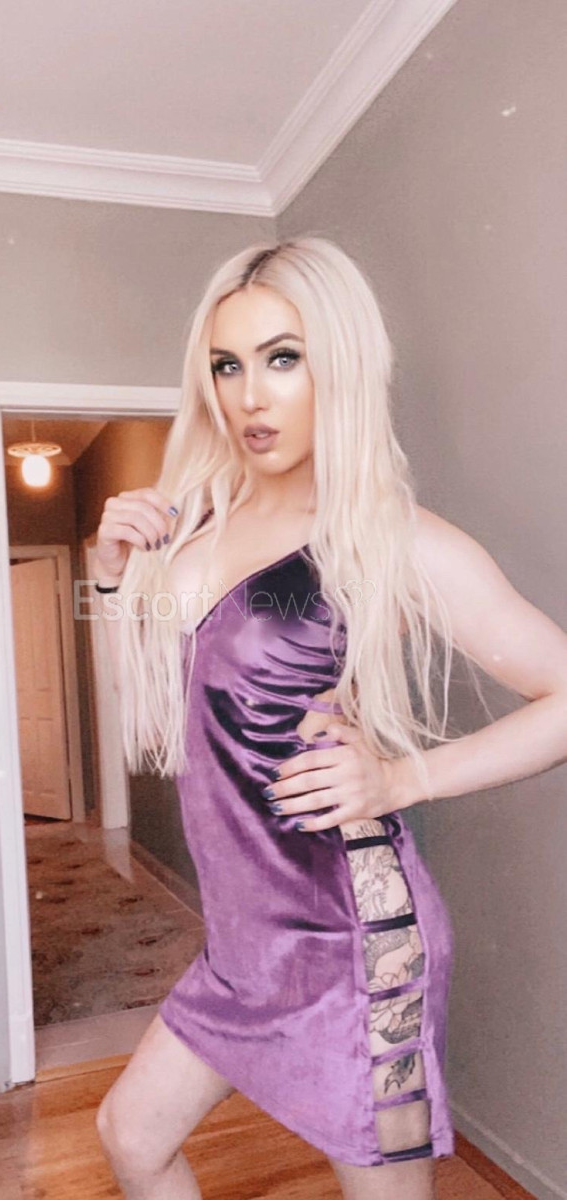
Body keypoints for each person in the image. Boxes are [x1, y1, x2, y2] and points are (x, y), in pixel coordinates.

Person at [89, 236, 567, 1200]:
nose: (249, 396)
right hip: (242, 943)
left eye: (283, 358)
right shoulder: (198, 527)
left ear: (339, 364)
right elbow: (164, 697)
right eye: (227, 365)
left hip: (354, 947)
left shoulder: (388, 540)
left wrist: (401, 777)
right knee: (131, 1137)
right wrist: (110, 579)